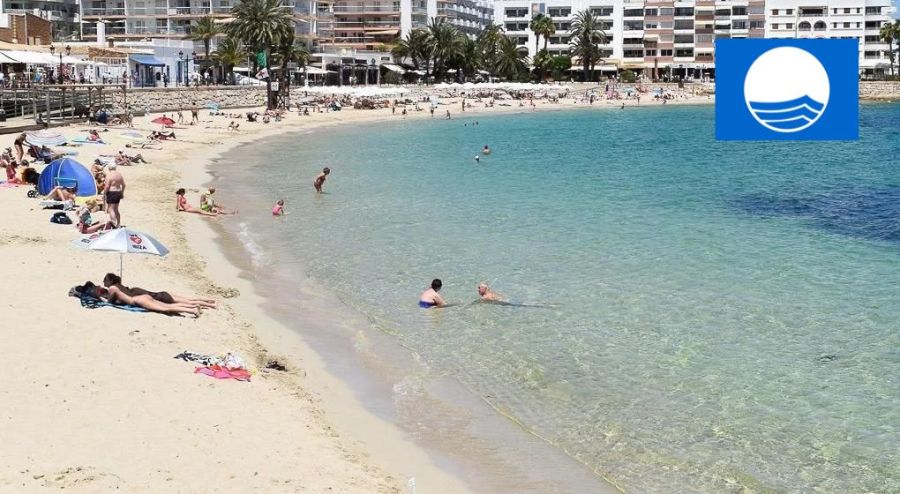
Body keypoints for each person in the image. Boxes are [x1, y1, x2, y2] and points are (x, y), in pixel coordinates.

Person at [76, 281, 200, 317]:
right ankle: (193, 308)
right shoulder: (109, 289)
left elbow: (109, 303)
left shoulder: (107, 293)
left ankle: (193, 310)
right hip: (141, 297)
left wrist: (102, 299)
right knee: (167, 306)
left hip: (139, 300)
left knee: (167, 308)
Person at [102, 273, 217, 309]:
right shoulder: (131, 289)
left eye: (104, 281)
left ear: (110, 281)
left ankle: (205, 305)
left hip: (160, 298)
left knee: (187, 303)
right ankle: (209, 302)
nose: (103, 283)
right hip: (160, 293)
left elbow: (111, 301)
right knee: (190, 299)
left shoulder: (120, 290)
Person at [104, 163, 125, 228]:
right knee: (116, 209)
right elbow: (124, 185)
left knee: (111, 209)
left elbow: (107, 186)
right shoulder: (119, 175)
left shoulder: (109, 175)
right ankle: (118, 223)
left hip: (112, 192)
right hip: (118, 192)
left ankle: (114, 224)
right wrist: (122, 192)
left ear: (109, 168)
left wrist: (104, 193)